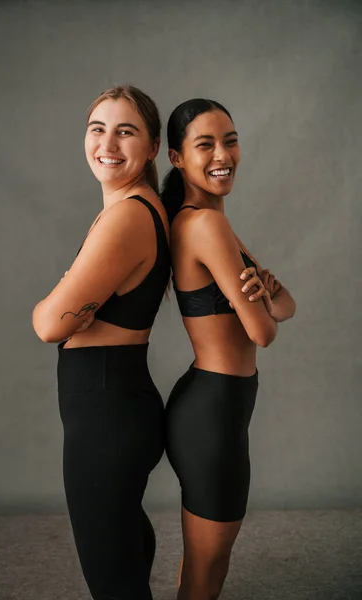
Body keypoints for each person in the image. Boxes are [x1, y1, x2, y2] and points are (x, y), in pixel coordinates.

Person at [32, 85, 170, 600]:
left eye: (125, 131)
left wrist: (48, 302)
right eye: (98, 128)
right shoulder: (135, 208)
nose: (107, 143)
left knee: (111, 574)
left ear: (153, 146)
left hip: (107, 415)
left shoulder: (128, 216)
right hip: (114, 405)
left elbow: (49, 324)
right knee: (123, 545)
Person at [161, 98, 296, 600]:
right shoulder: (206, 224)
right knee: (208, 565)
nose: (223, 154)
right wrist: (262, 303)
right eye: (205, 144)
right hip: (213, 413)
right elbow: (264, 332)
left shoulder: (206, 219)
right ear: (177, 158)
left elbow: (285, 306)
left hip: (214, 406)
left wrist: (266, 296)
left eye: (231, 140)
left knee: (204, 561)